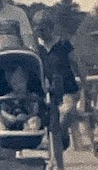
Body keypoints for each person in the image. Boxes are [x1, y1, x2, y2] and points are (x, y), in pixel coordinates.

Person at [33, 10, 88, 151]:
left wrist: (85, 84)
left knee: (65, 112)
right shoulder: (37, 49)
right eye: (38, 30)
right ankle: (54, 142)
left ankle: (61, 141)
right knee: (45, 116)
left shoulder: (63, 44)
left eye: (43, 30)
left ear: (50, 28)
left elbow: (76, 63)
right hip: (49, 91)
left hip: (68, 89)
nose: (40, 33)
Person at [0, 65, 44, 132]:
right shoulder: (7, 97)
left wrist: (27, 116)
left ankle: (30, 130)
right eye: (14, 84)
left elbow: (35, 111)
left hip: (27, 121)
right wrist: (8, 116)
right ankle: (3, 130)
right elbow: (2, 110)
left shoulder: (32, 96)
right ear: (10, 85)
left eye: (21, 82)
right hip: (10, 121)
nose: (18, 86)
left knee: (35, 119)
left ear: (26, 80)